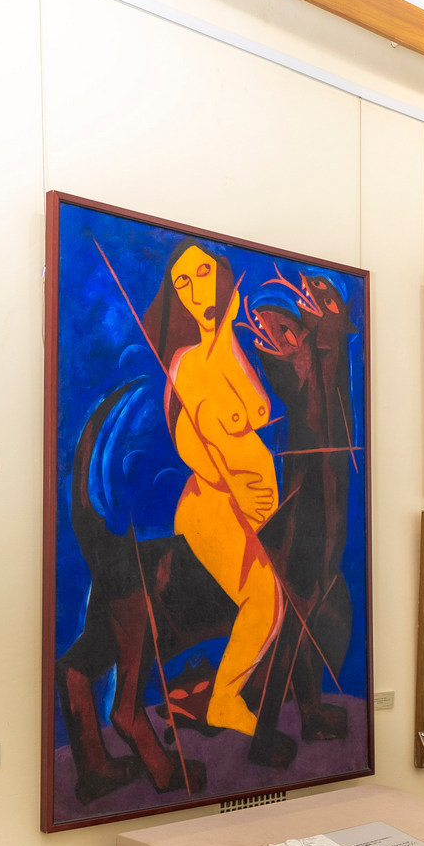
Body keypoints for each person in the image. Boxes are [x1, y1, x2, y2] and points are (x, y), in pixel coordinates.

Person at [143, 239, 282, 736]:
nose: (194, 288)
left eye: (202, 273)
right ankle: (223, 699)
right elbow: (189, 445)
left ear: (222, 277)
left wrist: (225, 334)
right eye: (182, 282)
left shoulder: (230, 349)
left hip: (256, 507)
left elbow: (258, 412)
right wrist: (233, 490)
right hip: (212, 506)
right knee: (266, 601)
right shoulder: (185, 365)